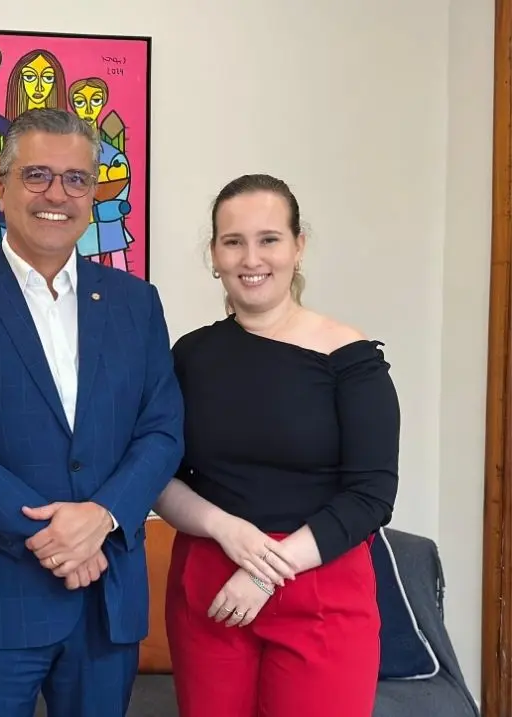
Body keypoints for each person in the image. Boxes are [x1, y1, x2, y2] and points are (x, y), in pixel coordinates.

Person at [0, 107, 185, 717]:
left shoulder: (136, 302)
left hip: (107, 598)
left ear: (92, 193)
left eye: (76, 179)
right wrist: (52, 536)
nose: (57, 194)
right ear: (1, 187)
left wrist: (103, 517)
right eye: (36, 175)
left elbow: (162, 430)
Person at [154, 173, 400, 717]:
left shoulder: (352, 359)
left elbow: (372, 495)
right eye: (233, 241)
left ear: (298, 246)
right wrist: (226, 528)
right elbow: (158, 473)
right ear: (214, 255)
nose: (251, 258)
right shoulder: (189, 356)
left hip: (321, 589)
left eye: (269, 239)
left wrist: (264, 571)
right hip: (211, 589)